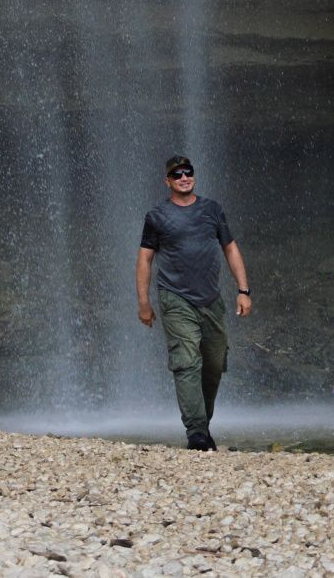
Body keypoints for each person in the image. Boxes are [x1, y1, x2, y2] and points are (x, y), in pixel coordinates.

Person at [136, 155, 251, 450]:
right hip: (175, 297)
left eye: (188, 172)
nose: (184, 177)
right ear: (168, 181)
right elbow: (145, 259)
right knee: (187, 360)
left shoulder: (212, 209)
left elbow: (230, 248)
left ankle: (203, 425)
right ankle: (197, 433)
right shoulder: (157, 216)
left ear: (194, 176)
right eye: (177, 174)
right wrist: (144, 302)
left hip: (211, 298)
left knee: (214, 362)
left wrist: (243, 290)